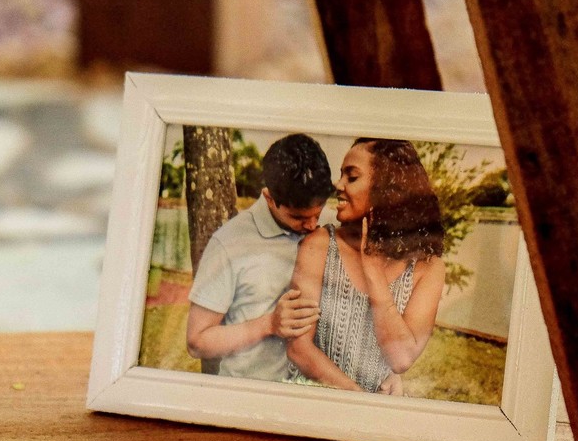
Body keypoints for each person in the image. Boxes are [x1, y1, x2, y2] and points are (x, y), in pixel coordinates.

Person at [286, 138, 446, 394]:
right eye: (341, 176)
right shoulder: (319, 245)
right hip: (316, 401)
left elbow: (401, 359)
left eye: (351, 177)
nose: (338, 185)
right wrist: (361, 401)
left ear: (387, 188)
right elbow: (298, 348)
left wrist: (372, 271)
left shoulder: (429, 267)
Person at [186, 133, 335, 380]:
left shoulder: (332, 227)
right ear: (269, 197)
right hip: (250, 398)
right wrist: (268, 325)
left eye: (317, 214)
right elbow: (197, 342)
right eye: (298, 217)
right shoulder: (229, 243)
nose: (311, 225)